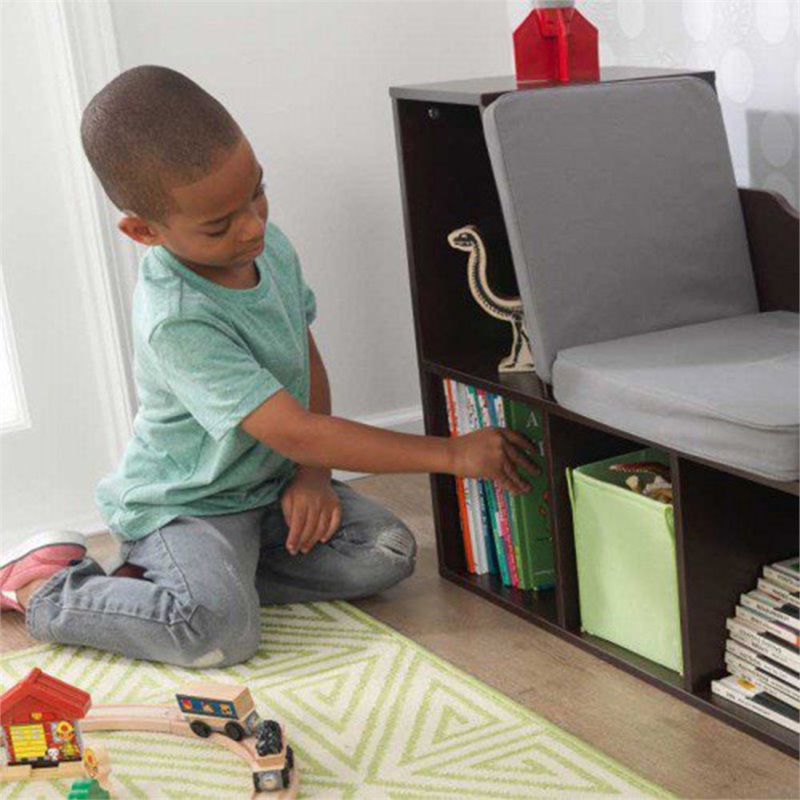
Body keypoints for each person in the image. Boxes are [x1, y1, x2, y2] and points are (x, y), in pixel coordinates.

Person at [0, 67, 536, 668]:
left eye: (256, 193)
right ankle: (46, 588)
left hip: (271, 489)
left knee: (386, 552)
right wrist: (452, 454)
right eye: (219, 225)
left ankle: (188, 582)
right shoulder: (177, 318)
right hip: (190, 505)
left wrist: (313, 476)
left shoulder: (267, 246)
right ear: (143, 231)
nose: (252, 226)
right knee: (218, 637)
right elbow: (296, 430)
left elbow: (303, 360)